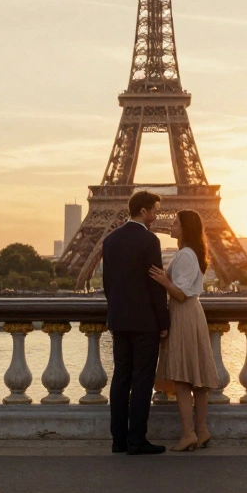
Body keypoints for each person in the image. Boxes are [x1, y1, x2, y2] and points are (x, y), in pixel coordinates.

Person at [102, 190, 169, 455]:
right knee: (142, 380)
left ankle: (117, 439)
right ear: (143, 211)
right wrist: (163, 320)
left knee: (120, 378)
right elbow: (156, 285)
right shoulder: (149, 240)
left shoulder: (110, 240)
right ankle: (136, 439)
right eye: (155, 210)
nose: (156, 215)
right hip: (145, 322)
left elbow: (108, 284)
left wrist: (117, 309)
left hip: (119, 319)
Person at [148, 209, 219, 452]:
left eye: (175, 222)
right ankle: (201, 431)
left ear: (185, 228)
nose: (171, 224)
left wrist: (164, 282)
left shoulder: (186, 256)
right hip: (189, 313)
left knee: (182, 377)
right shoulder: (186, 254)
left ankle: (188, 433)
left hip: (184, 313)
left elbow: (180, 294)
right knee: (196, 376)